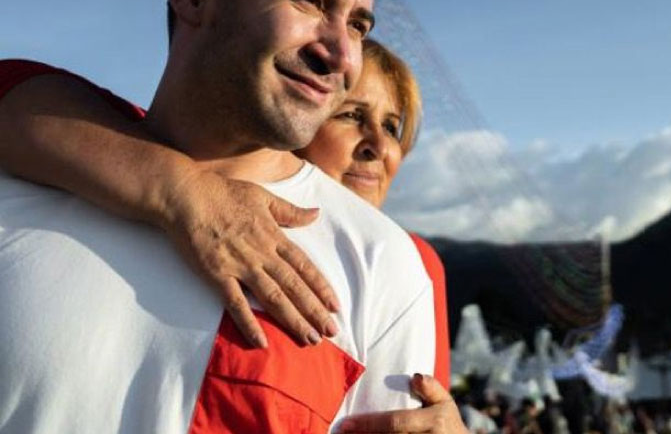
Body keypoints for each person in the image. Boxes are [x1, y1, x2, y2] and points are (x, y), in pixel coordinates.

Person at [0, 0, 447, 432]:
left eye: (357, 24)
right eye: (308, 0)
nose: (341, 54)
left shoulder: (384, 267)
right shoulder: (25, 166)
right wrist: (178, 189)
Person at [0, 40, 461, 432]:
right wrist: (184, 190)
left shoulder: (411, 265)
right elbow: (17, 88)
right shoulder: (134, 157)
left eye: (392, 126)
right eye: (351, 115)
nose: (378, 146)